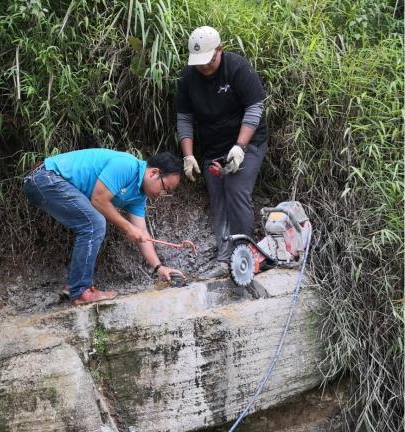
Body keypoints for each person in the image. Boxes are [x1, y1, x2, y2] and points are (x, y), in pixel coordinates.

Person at [23, 149, 184, 305]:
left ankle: (74, 285)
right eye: (165, 188)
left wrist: (159, 268)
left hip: (48, 182)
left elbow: (142, 235)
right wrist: (128, 227)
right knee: (94, 222)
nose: (162, 194)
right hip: (44, 177)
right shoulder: (127, 165)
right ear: (154, 173)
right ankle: (80, 291)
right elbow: (99, 200)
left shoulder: (138, 196)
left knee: (91, 223)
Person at [176, 26, 268, 279]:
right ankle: (224, 260)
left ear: (220, 50)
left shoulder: (237, 68)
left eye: (209, 61)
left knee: (236, 189)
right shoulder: (188, 78)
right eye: (199, 63)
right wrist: (188, 155)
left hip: (248, 142)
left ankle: (245, 254)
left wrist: (240, 147)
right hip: (213, 147)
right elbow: (184, 118)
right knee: (218, 196)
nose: (204, 68)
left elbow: (254, 108)